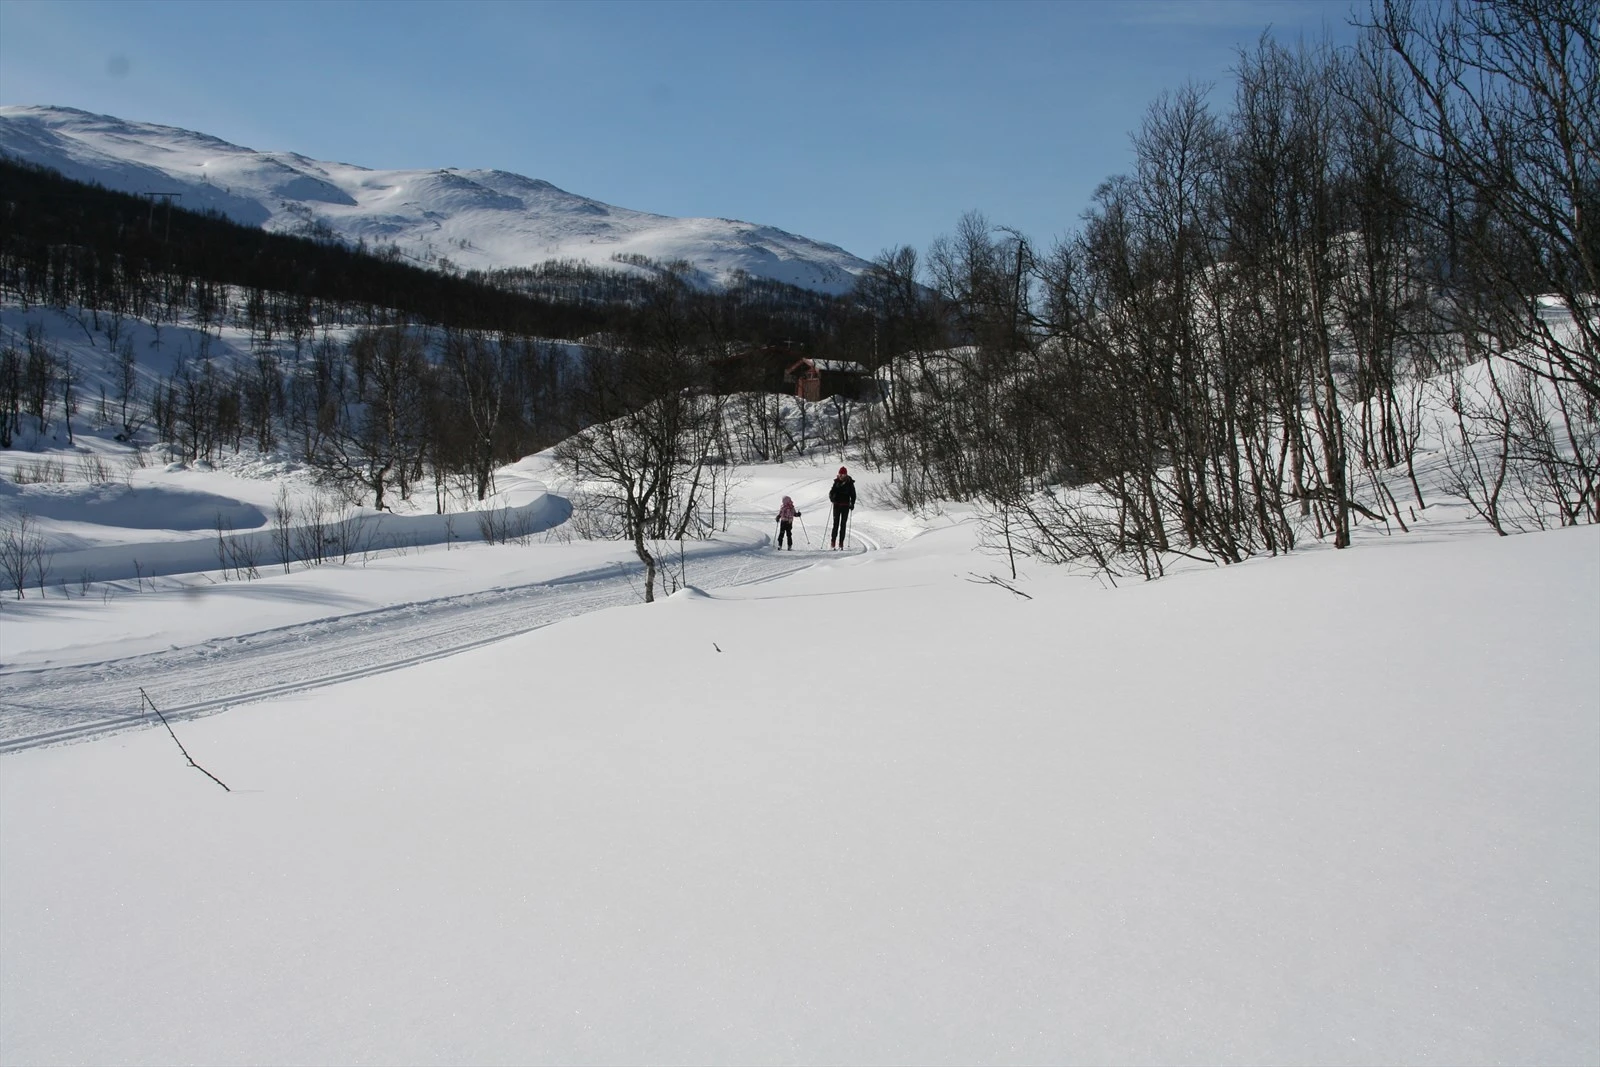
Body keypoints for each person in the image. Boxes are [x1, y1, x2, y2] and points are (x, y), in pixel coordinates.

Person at [828, 466, 856, 548]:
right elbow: (831, 492)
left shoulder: (850, 483)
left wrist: (852, 503)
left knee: (843, 524)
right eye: (840, 474)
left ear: (846, 475)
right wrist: (832, 498)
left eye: (843, 474)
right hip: (836, 505)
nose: (841, 476)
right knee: (835, 524)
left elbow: (853, 495)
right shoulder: (836, 482)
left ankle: (841, 542)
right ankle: (833, 541)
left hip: (845, 506)